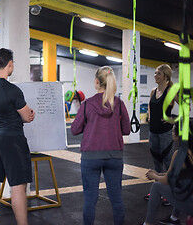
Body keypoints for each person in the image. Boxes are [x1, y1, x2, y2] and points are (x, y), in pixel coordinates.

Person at [0, 48, 35, 225]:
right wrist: (30, 113)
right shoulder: (13, 90)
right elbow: (27, 117)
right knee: (18, 186)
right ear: (10, 64)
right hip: (13, 140)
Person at [71, 66, 130, 225]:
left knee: (90, 199)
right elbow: (126, 130)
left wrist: (89, 124)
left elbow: (75, 130)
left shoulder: (87, 104)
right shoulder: (119, 103)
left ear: (97, 82)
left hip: (91, 157)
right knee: (116, 199)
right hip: (114, 156)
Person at [140, 121, 193, 225]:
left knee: (156, 186)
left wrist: (154, 176)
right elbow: (176, 175)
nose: (172, 132)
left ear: (179, 134)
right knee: (181, 183)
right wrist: (159, 174)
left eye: (173, 130)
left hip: (190, 204)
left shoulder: (179, 154)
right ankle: (174, 218)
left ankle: (147, 223)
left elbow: (167, 180)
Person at [145, 64, 177, 204]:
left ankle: (171, 194)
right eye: (155, 73)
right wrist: (150, 115)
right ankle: (157, 191)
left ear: (165, 76)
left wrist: (172, 119)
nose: (155, 75)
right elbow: (150, 105)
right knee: (156, 163)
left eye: (158, 73)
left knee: (168, 163)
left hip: (165, 133)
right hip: (153, 132)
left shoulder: (171, 92)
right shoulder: (153, 91)